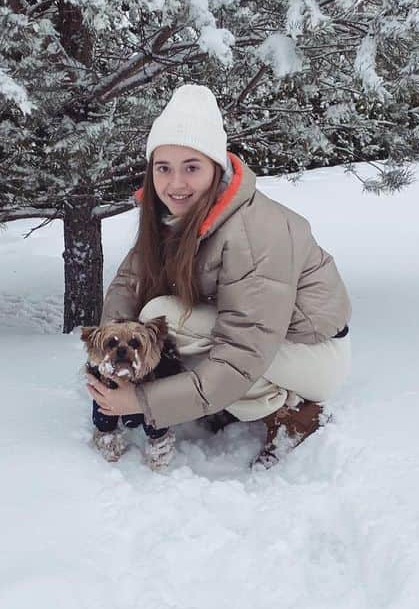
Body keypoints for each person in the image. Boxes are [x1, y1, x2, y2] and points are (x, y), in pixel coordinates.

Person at [85, 84, 352, 466]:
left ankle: (289, 411)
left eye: (191, 167)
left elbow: (243, 350)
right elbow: (129, 284)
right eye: (164, 168)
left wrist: (142, 401)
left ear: (217, 167)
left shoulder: (255, 231)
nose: (175, 183)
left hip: (312, 354)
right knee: (152, 316)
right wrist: (110, 352)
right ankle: (221, 399)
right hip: (263, 339)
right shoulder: (171, 217)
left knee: (164, 316)